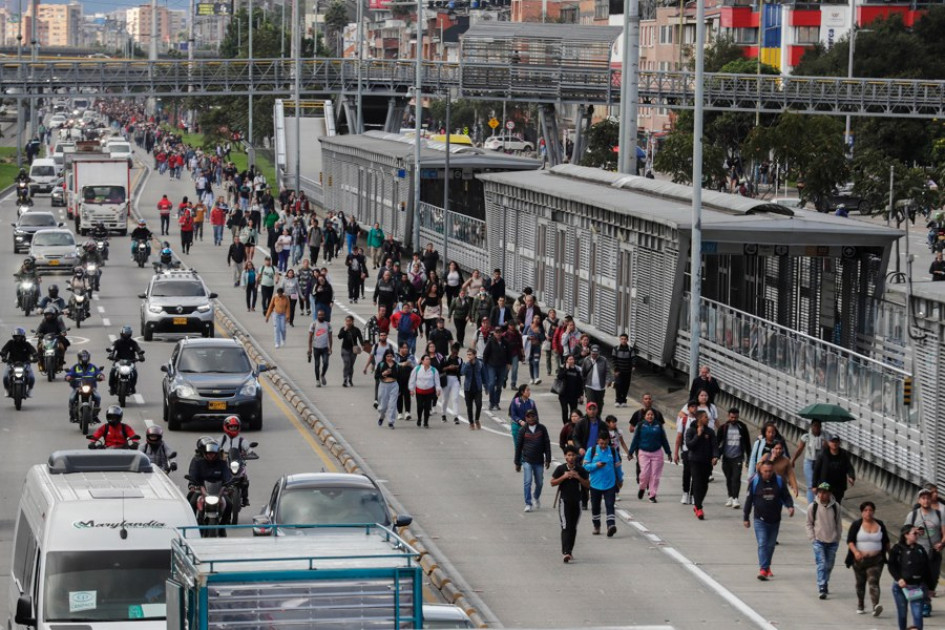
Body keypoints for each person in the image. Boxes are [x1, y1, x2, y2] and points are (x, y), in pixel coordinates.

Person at [743, 459, 795, 581]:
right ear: (761, 470)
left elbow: (786, 496)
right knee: (762, 543)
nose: (768, 473)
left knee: (771, 546)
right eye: (765, 471)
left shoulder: (779, 481)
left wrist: (790, 506)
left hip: (775, 519)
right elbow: (749, 500)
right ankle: (763, 569)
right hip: (759, 519)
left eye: (770, 471)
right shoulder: (754, 481)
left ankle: (767, 566)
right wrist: (746, 517)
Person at [904, 488, 944, 617]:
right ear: (919, 500)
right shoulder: (913, 515)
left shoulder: (939, 514)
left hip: (933, 553)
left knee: (931, 578)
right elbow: (905, 532)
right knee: (917, 579)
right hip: (918, 553)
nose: (926, 500)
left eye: (928, 498)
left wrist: (942, 543)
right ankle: (922, 603)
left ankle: (926, 600)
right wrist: (915, 531)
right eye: (923, 498)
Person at [846, 500, 890, 616]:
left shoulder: (880, 525)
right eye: (865, 510)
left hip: (876, 560)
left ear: (874, 511)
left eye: (870, 510)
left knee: (873, 581)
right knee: (860, 584)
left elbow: (886, 542)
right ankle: (860, 603)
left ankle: (876, 606)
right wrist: (855, 552)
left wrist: (892, 556)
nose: (868, 513)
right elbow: (850, 541)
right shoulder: (856, 525)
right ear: (861, 512)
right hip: (859, 560)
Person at [888, 524, 935, 630]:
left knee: (918, 615)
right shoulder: (897, 549)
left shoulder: (921, 550)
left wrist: (931, 588)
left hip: (917, 587)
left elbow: (927, 569)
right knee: (902, 614)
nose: (916, 535)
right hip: (901, 588)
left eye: (917, 533)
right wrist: (899, 578)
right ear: (906, 535)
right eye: (914, 533)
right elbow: (891, 566)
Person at [551, 446, 590, 563]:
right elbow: (552, 482)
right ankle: (565, 552)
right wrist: (564, 476)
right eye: (568, 455)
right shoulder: (560, 469)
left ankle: (570, 550)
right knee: (566, 526)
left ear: (576, 456)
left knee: (573, 527)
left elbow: (587, 485)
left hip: (577, 502)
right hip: (564, 502)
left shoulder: (581, 469)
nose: (571, 457)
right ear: (565, 456)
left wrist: (578, 477)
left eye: (573, 455)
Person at [806, 482, 843, 599]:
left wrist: (837, 538)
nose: (822, 495)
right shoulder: (813, 506)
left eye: (825, 493)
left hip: (832, 541)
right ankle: (822, 585)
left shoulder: (836, 506)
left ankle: (825, 581)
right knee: (821, 563)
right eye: (820, 492)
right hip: (819, 541)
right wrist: (812, 538)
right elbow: (809, 523)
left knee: (829, 565)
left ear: (830, 494)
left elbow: (838, 523)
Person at [583, 430, 622, 536]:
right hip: (595, 484)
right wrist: (596, 465)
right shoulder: (591, 451)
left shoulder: (613, 451)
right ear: (597, 441)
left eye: (605, 443)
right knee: (595, 506)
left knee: (610, 504)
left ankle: (611, 525)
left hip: (610, 483)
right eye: (601, 443)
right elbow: (585, 466)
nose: (603, 446)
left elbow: (617, 466)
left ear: (608, 441)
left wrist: (620, 479)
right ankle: (596, 525)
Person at [186, 438, 233, 526]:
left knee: (229, 504)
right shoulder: (198, 462)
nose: (211, 456)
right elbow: (193, 474)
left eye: (213, 454)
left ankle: (222, 526)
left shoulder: (222, 463)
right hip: (201, 489)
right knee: (191, 502)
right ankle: (191, 524)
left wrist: (229, 485)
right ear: (204, 453)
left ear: (217, 454)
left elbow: (227, 475)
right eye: (209, 454)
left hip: (218, 490)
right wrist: (192, 484)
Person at [627, 408, 671, 503]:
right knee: (644, 474)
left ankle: (652, 495)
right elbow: (635, 439)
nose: (650, 416)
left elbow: (664, 440)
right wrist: (630, 452)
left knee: (655, 475)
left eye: (652, 415)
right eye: (648, 415)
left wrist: (669, 452)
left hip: (657, 453)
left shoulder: (658, 426)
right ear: (644, 416)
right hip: (644, 453)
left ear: (654, 416)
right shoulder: (640, 425)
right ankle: (642, 487)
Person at [514, 409, 552, 512]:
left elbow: (547, 444)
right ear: (525, 418)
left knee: (539, 482)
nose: (531, 418)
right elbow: (518, 447)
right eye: (528, 416)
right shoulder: (523, 430)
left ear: (536, 417)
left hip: (539, 461)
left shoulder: (542, 429)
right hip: (527, 460)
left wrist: (548, 458)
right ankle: (528, 503)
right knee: (527, 482)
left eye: (532, 416)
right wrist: (517, 462)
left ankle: (536, 496)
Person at [685, 409, 719, 520]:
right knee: (697, 482)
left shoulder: (710, 432)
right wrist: (698, 435)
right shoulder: (691, 430)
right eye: (705, 417)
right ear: (699, 418)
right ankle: (699, 507)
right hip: (694, 461)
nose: (707, 419)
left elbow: (715, 446)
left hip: (707, 462)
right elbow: (690, 445)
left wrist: (715, 456)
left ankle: (698, 504)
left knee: (704, 485)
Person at [717, 407, 751, 509]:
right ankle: (730, 496)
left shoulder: (742, 427)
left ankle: (735, 498)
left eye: (735, 417)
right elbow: (717, 443)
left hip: (738, 457)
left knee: (736, 478)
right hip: (726, 457)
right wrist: (715, 456)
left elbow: (747, 443)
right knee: (729, 478)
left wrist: (748, 457)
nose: (733, 419)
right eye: (732, 417)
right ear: (728, 416)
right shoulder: (723, 428)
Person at [792, 419, 832, 504]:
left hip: (820, 463)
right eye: (815, 426)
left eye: (818, 426)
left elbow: (832, 450)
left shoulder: (826, 437)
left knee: (821, 485)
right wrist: (793, 460)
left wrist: (826, 446)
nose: (816, 428)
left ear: (821, 427)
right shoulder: (806, 437)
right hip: (809, 462)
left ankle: (819, 502)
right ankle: (811, 505)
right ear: (811, 426)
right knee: (811, 485)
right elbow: (800, 449)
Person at [219, 416, 254, 506]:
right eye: (231, 427)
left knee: (245, 480)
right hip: (224, 463)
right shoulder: (221, 440)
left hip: (237, 463)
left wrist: (251, 453)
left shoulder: (242, 440)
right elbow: (214, 447)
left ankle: (245, 498)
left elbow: (248, 449)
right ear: (226, 427)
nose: (233, 428)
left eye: (235, 427)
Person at [813, 435, 856, 503]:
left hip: (838, 487)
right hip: (825, 485)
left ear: (839, 443)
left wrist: (851, 476)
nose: (834, 444)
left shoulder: (843, 455)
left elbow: (849, 467)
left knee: (836, 505)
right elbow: (816, 470)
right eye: (832, 442)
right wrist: (814, 485)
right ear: (829, 443)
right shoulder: (823, 454)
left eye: (836, 442)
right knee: (824, 505)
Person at [65, 350, 103, 423]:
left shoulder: (92, 367)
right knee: (72, 398)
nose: (84, 359)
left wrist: (100, 376)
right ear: (79, 358)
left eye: (85, 357)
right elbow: (70, 373)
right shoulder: (75, 367)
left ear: (88, 357)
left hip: (91, 387)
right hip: (78, 387)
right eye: (83, 357)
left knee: (98, 397)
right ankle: (72, 415)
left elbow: (98, 373)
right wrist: (68, 376)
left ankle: (95, 415)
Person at [106, 325, 144, 395]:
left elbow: (138, 349)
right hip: (118, 361)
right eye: (125, 333)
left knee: (134, 373)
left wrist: (141, 356)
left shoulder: (133, 343)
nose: (126, 335)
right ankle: (111, 387)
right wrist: (111, 354)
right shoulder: (117, 342)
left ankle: (132, 387)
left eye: (127, 333)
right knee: (112, 371)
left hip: (131, 362)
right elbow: (112, 348)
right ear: (121, 333)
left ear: (130, 334)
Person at [673, 399, 698, 505]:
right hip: (686, 450)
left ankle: (693, 495)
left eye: (695, 406)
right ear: (688, 409)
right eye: (692, 407)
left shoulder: (700, 420)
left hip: (697, 451)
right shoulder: (683, 420)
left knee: (695, 474)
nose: (694, 409)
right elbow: (679, 437)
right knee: (687, 472)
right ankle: (685, 493)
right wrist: (675, 453)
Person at [408, 354, 441, 428]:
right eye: (426, 359)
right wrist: (411, 389)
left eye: (429, 359)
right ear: (422, 361)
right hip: (419, 391)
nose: (428, 360)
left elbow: (437, 381)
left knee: (427, 407)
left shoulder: (433, 370)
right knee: (420, 406)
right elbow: (412, 379)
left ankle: (426, 422)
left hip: (429, 392)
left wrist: (438, 390)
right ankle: (419, 419)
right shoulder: (417, 368)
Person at [1, 328, 37, 396]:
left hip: (25, 363)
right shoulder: (10, 343)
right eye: (16, 336)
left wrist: (35, 357)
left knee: (31, 377)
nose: (18, 338)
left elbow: (33, 351)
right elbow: (4, 350)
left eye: (19, 336)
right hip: (11, 363)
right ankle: (6, 389)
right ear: (14, 337)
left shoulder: (26, 344)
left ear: (22, 336)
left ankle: (30, 390)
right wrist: (4, 357)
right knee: (5, 377)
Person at [483, 326, 510, 411]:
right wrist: (485, 365)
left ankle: (497, 403)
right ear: (494, 333)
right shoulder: (490, 342)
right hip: (492, 366)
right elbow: (485, 354)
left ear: (502, 333)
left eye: (499, 332)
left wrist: (509, 363)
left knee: (499, 386)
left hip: (502, 366)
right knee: (491, 384)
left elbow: (509, 353)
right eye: (496, 332)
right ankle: (491, 402)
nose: (498, 334)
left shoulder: (505, 342)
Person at [581, 345, 612, 413]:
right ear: (590, 352)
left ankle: (598, 418)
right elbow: (582, 373)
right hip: (589, 386)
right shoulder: (586, 360)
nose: (594, 355)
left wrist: (608, 380)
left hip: (600, 387)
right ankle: (589, 418)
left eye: (596, 354)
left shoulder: (604, 360)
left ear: (599, 353)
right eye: (593, 354)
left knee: (599, 404)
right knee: (591, 403)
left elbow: (608, 371)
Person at [555, 354, 584, 426]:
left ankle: (571, 424)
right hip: (563, 394)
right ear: (566, 361)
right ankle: (566, 424)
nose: (571, 361)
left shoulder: (577, 370)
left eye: (572, 359)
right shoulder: (563, 368)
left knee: (573, 411)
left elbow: (580, 383)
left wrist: (581, 394)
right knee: (565, 410)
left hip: (574, 395)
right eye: (569, 359)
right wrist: (566, 369)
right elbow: (559, 377)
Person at [461, 348, 485, 430]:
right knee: (469, 406)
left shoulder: (480, 364)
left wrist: (486, 386)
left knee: (479, 404)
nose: (469, 356)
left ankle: (477, 419)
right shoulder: (466, 364)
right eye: (468, 355)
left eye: (470, 354)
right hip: (468, 388)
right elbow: (462, 372)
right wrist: (467, 364)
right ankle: (471, 422)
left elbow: (483, 375)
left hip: (477, 388)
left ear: (474, 355)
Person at [337, 315, 364, 388]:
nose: (348, 322)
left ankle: (350, 379)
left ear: (352, 321)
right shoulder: (343, 329)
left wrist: (362, 345)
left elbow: (360, 338)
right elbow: (339, 337)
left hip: (353, 350)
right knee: (347, 363)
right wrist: (345, 330)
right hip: (345, 349)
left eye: (349, 321)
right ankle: (345, 379)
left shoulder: (356, 329)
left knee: (351, 365)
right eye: (346, 321)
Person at [375, 351, 400, 429]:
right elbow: (376, 376)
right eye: (387, 356)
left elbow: (399, 376)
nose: (389, 358)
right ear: (385, 357)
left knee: (392, 405)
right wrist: (383, 374)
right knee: (383, 406)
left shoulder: (396, 365)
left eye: (391, 356)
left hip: (394, 385)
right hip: (383, 385)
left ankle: (391, 422)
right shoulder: (381, 364)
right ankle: (381, 417)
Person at [307, 309, 332, 387]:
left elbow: (330, 337)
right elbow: (310, 337)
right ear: (317, 316)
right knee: (317, 364)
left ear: (324, 316)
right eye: (319, 315)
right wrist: (310, 348)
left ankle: (322, 375)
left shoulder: (327, 325)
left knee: (326, 363)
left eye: (322, 315)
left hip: (325, 348)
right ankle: (317, 380)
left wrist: (330, 348)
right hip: (316, 348)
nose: (321, 316)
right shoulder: (313, 324)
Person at [508, 384, 537, 451]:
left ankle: (525, 460)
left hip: (528, 427)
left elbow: (535, 416)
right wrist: (520, 421)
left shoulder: (532, 403)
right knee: (518, 446)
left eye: (529, 390)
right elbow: (513, 415)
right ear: (522, 392)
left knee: (528, 447)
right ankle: (520, 460)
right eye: (527, 390)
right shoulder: (515, 401)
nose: (529, 392)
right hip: (517, 425)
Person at [439, 342, 462, 424]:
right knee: (445, 398)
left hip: (455, 379)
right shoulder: (445, 358)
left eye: (456, 352)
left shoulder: (459, 360)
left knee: (455, 398)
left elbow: (461, 371)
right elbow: (440, 369)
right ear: (451, 350)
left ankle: (456, 416)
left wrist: (457, 367)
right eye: (453, 351)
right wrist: (448, 367)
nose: (455, 353)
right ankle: (443, 414)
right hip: (446, 378)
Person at [612, 334, 634, 407]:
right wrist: (616, 369)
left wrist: (633, 366)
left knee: (626, 386)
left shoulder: (630, 349)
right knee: (618, 385)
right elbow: (614, 359)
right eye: (622, 339)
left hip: (627, 371)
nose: (623, 340)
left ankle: (624, 400)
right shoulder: (616, 349)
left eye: (625, 339)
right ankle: (618, 400)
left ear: (627, 340)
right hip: (619, 371)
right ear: (620, 339)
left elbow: (633, 358)